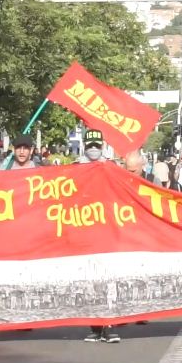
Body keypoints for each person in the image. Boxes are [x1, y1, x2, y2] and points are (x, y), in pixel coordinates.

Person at [81, 131, 118, 344]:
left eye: (97, 144)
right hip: (84, 233)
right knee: (89, 282)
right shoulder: (75, 169)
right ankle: (95, 326)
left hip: (107, 231)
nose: (93, 148)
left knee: (108, 279)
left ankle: (110, 325)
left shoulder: (111, 169)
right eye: (90, 144)